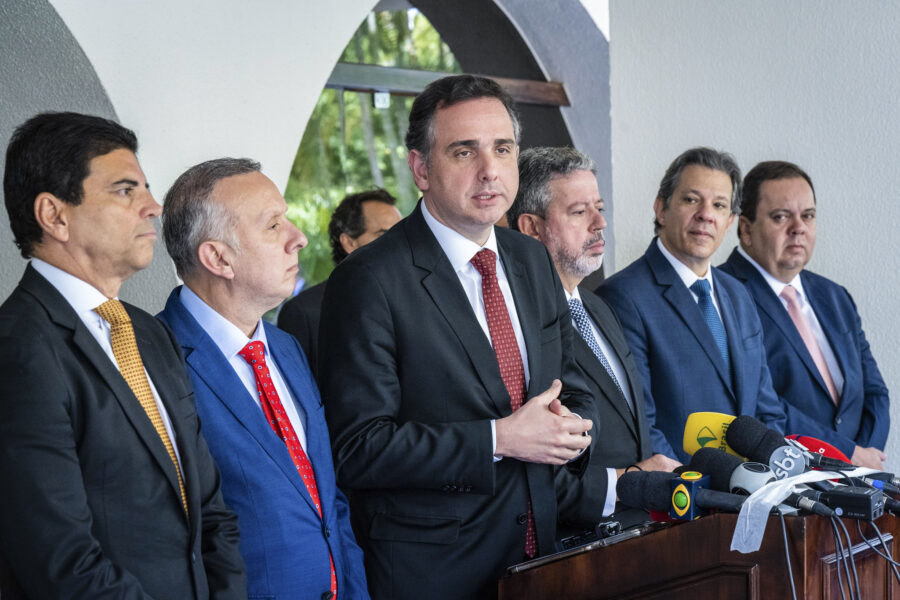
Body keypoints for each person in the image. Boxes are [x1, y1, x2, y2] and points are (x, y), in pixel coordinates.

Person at [318, 75, 594, 600]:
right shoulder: (370, 279)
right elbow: (357, 446)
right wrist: (499, 439)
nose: (489, 170)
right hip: (436, 572)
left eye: (503, 149)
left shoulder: (530, 258)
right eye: (464, 151)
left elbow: (574, 389)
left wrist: (574, 430)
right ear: (421, 168)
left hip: (547, 557)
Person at [0, 112, 246, 598]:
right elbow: (61, 560)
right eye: (124, 190)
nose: (153, 207)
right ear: (55, 215)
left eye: (147, 189)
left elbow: (210, 510)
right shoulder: (18, 348)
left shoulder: (149, 333)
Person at [157, 158, 369, 599]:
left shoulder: (285, 346)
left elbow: (328, 498)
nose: (299, 238)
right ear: (217, 257)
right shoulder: (155, 359)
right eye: (274, 226)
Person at [508, 146, 679, 530]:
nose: (600, 222)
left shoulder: (597, 306)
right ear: (531, 227)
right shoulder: (521, 323)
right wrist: (626, 483)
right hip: (575, 544)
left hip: (646, 530)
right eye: (579, 212)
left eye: (599, 207)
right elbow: (536, 466)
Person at [597, 147, 786, 462]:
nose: (706, 214)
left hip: (752, 496)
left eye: (719, 205)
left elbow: (767, 408)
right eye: (691, 199)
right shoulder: (622, 298)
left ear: (731, 222)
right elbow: (642, 426)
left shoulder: (739, 295)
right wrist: (694, 492)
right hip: (683, 499)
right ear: (661, 209)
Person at [719, 160, 889, 469]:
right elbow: (760, 404)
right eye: (781, 216)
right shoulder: (723, 295)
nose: (799, 228)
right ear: (745, 229)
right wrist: (845, 454)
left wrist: (866, 457)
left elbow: (874, 392)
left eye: (807, 216)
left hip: (858, 480)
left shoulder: (835, 296)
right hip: (784, 486)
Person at [278, 189, 401, 376]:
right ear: (349, 243)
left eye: (401, 233)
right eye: (383, 234)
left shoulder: (419, 295)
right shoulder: (304, 313)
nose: (399, 243)